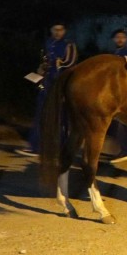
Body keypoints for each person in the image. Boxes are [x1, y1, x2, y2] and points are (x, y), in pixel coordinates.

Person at [17, 22, 77, 157]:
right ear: (51, 30)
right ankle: (35, 146)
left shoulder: (69, 45)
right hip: (45, 83)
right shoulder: (48, 43)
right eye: (55, 29)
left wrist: (64, 85)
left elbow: (71, 64)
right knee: (40, 114)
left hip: (60, 85)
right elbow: (44, 61)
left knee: (60, 117)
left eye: (60, 29)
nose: (57, 32)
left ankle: (62, 148)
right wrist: (41, 69)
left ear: (64, 30)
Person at [108, 29, 127, 164]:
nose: (120, 39)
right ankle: (122, 149)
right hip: (114, 91)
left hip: (123, 91)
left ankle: (125, 150)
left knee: (120, 120)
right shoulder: (112, 54)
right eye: (117, 37)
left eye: (123, 37)